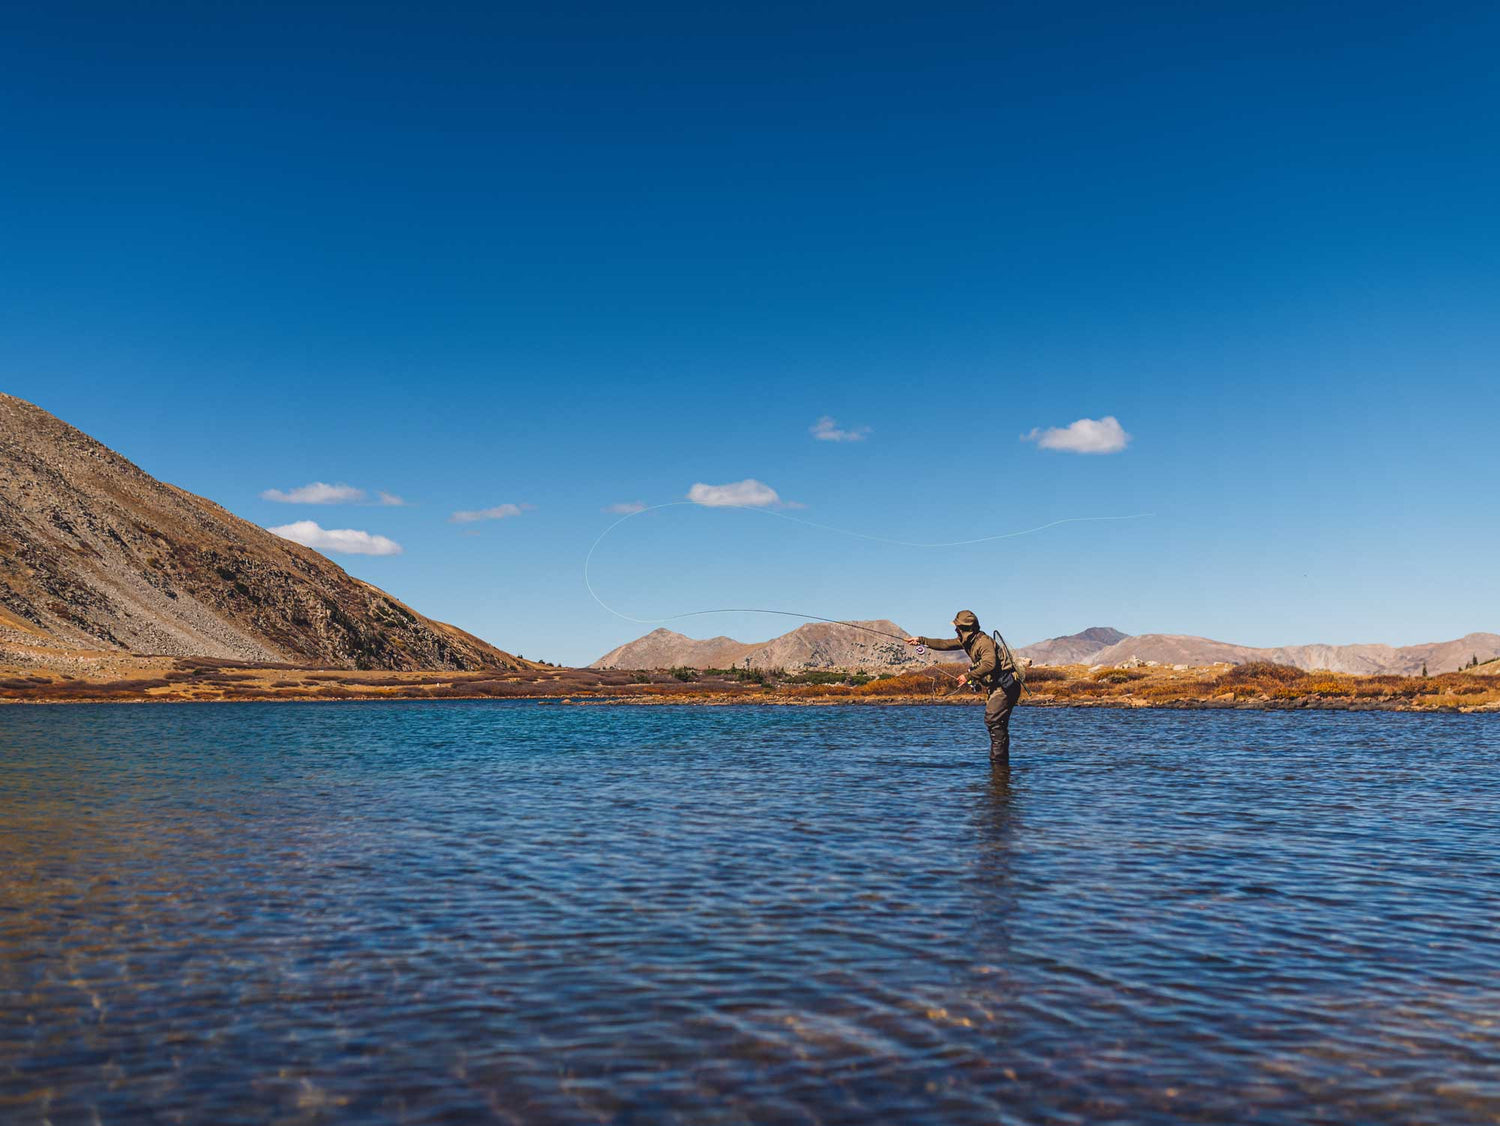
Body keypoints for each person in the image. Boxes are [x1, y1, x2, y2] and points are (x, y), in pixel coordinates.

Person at [906, 610, 1021, 765]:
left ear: (966, 629)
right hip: (998, 686)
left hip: (1006, 686)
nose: (955, 629)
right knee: (996, 723)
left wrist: (968, 676)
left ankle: (998, 765)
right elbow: (944, 644)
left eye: (958, 627)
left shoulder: (983, 642)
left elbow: (989, 664)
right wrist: (921, 640)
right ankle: (1000, 767)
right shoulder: (968, 641)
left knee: (993, 720)